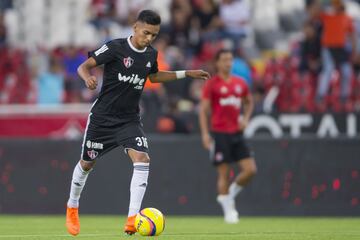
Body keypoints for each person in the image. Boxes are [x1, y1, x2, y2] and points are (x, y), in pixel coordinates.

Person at [65, 10, 210, 236]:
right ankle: (72, 207)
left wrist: (187, 73)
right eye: (146, 33)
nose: (149, 38)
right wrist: (88, 78)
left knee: (142, 158)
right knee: (86, 164)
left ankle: (132, 218)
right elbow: (83, 67)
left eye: (154, 35)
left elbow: (154, 77)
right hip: (102, 119)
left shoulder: (150, 55)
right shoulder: (115, 48)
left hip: (128, 120)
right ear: (135, 27)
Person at [199, 49, 256, 223]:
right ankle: (229, 211)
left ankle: (228, 196)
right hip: (220, 133)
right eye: (224, 60)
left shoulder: (240, 83)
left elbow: (249, 102)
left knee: (250, 170)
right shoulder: (212, 84)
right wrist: (205, 134)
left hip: (237, 133)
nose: (228, 63)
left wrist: (245, 119)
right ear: (217, 63)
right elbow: (203, 110)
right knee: (224, 173)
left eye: (230, 59)